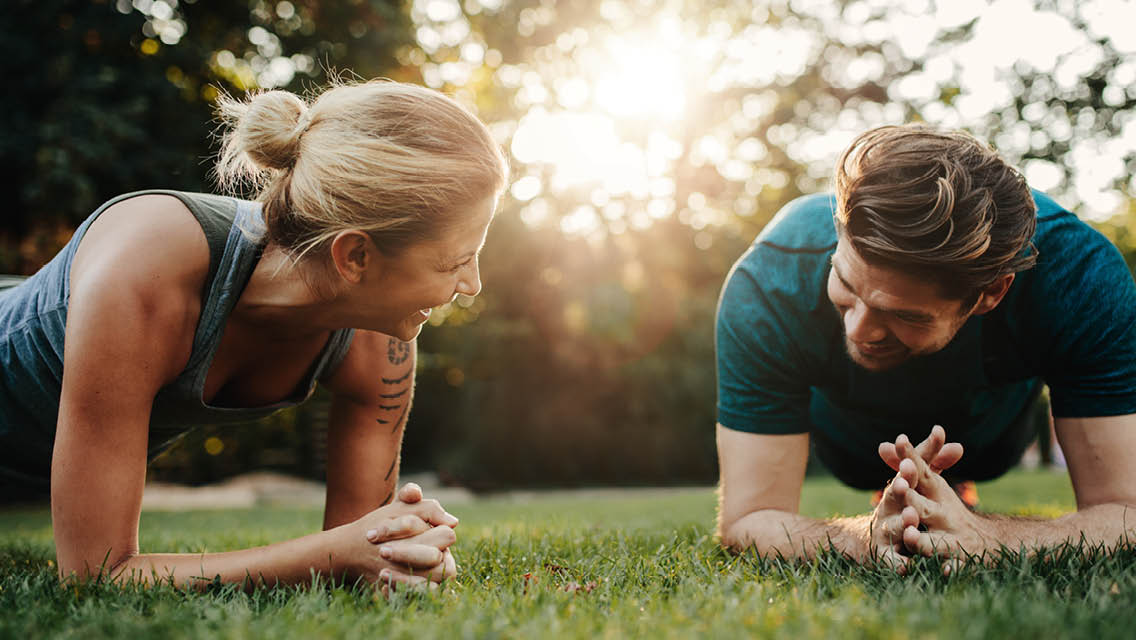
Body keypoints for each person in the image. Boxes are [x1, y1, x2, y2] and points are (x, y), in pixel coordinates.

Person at [0, 79, 508, 590]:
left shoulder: (382, 338)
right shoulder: (146, 268)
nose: (473, 285)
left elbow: (365, 552)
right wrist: (334, 553)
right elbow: (94, 574)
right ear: (354, 256)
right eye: (455, 261)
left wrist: (400, 553)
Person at [714, 125, 1136, 568]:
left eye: (905, 314)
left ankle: (955, 486)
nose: (858, 330)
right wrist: (866, 538)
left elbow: (1125, 511)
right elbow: (748, 518)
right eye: (844, 282)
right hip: (849, 443)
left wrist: (987, 537)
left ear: (992, 292)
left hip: (990, 439)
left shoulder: (1080, 278)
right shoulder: (768, 282)